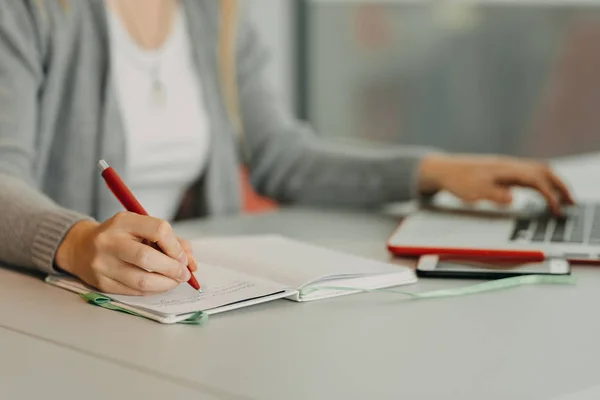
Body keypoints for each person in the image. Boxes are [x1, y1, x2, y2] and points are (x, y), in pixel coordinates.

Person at [0, 0, 574, 296]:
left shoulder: (212, 12)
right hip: (65, 304)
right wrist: (76, 243)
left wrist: (432, 170)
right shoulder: (31, 12)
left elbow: (281, 154)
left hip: (170, 302)